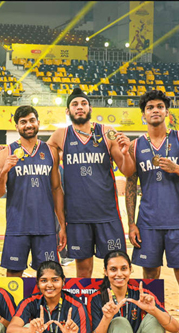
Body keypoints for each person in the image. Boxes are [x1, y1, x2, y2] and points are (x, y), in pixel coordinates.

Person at [122, 90, 179, 333]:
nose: (155, 110)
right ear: (143, 114)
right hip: (148, 223)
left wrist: (177, 169)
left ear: (167, 112)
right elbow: (130, 184)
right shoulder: (135, 146)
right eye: (150, 107)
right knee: (149, 279)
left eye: (159, 106)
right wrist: (131, 223)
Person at [46, 87, 131, 277]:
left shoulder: (107, 132)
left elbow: (127, 170)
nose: (80, 107)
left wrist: (126, 153)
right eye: (75, 104)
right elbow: (39, 156)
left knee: (116, 269)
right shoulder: (60, 135)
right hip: (77, 217)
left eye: (84, 103)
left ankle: (112, 298)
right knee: (83, 271)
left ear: (90, 108)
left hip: (107, 214)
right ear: (68, 111)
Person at [0, 105, 66, 276]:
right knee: (13, 276)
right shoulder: (5, 153)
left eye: (32, 120)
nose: (28, 125)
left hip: (46, 227)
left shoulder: (51, 152)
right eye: (23, 122)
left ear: (38, 122)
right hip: (17, 226)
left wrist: (62, 225)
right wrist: (4, 171)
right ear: (16, 126)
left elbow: (56, 189)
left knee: (49, 275)